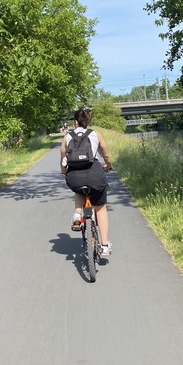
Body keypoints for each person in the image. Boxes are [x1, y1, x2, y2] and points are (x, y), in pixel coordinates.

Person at [60, 108, 113, 256]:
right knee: (100, 208)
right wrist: (107, 166)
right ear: (88, 122)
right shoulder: (95, 134)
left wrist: (64, 172)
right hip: (95, 175)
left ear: (75, 122)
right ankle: (104, 245)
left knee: (79, 189)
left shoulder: (67, 137)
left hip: (75, 177)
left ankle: (77, 214)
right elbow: (106, 156)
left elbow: (62, 158)